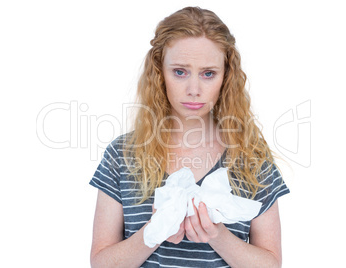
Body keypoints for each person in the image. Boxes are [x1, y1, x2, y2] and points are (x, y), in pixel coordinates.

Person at [89, 6, 289, 268]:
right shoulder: (122, 154)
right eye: (180, 72)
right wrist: (152, 235)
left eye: (208, 73)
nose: (194, 89)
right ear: (160, 72)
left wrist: (218, 236)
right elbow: (100, 263)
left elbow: (271, 263)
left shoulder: (251, 156)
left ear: (226, 77)